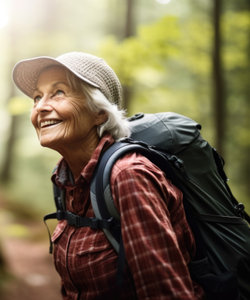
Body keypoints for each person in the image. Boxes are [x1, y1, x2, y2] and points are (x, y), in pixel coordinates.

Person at [12, 52, 204, 299]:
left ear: (99, 113)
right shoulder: (65, 180)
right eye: (37, 97)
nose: (40, 107)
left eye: (58, 92)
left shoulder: (128, 176)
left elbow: (165, 293)